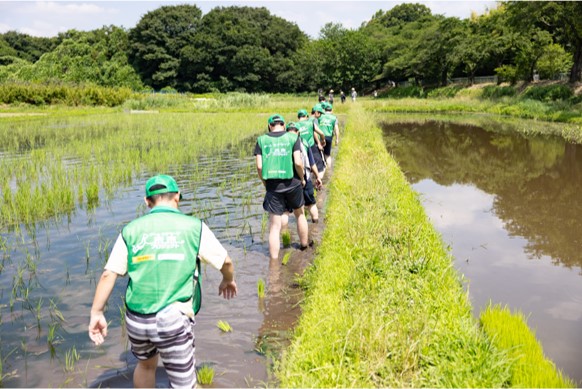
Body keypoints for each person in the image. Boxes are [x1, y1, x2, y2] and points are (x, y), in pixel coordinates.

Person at [88, 175, 238, 389]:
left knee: (146, 366)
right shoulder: (194, 227)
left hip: (137, 319)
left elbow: (108, 274)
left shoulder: (130, 230)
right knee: (185, 383)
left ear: (147, 202)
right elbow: (226, 261)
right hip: (173, 319)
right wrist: (227, 279)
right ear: (177, 197)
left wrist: (96, 313)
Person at [255, 114, 309, 261]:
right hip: (293, 183)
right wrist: (302, 178)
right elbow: (298, 162)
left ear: (269, 126)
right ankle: (304, 245)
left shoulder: (261, 140)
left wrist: (264, 182)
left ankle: (273, 262)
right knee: (300, 214)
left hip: (273, 186)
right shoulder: (292, 138)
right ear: (284, 126)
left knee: (274, 225)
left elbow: (259, 166)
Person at [282, 122, 323, 225]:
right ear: (298, 132)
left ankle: (284, 235)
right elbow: (312, 162)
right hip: (305, 177)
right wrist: (318, 177)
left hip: (289, 180)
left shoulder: (283, 144)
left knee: (286, 210)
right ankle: (316, 226)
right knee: (311, 204)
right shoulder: (304, 142)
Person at [295, 108, 326, 178]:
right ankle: (318, 183)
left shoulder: (295, 126)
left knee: (304, 168)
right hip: (312, 148)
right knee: (319, 168)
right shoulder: (310, 123)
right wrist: (323, 141)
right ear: (306, 116)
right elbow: (321, 133)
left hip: (300, 149)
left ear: (298, 117)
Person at [318, 102, 340, 168]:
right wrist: (337, 139)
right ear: (332, 110)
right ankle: (329, 169)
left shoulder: (320, 117)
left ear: (324, 110)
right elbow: (336, 129)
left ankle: (321, 169)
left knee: (319, 153)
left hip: (320, 137)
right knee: (327, 155)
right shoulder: (334, 118)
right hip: (329, 137)